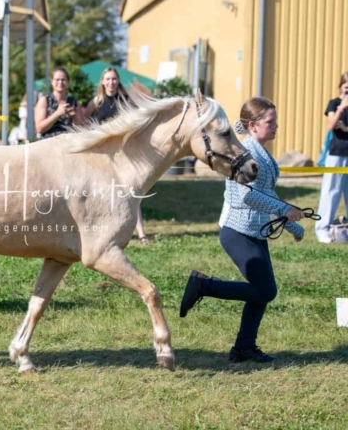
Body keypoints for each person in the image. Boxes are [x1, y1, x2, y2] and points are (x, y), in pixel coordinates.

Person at [179, 97, 305, 363]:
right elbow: (248, 196)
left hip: (255, 230)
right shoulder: (244, 152)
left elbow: (267, 192)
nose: (276, 126)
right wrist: (285, 210)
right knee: (266, 291)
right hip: (236, 231)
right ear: (253, 125)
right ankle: (203, 285)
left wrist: (291, 223)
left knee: (261, 291)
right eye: (270, 121)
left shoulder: (260, 152)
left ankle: (243, 348)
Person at [85, 67, 149, 244]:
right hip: (102, 154)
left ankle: (142, 234)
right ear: (102, 82)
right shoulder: (97, 101)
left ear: (118, 81)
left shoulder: (126, 100)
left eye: (113, 79)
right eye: (107, 79)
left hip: (123, 153)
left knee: (131, 191)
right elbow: (83, 121)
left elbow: (138, 121)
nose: (110, 82)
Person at [315, 72, 348, 243]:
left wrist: (345, 129)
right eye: (346, 84)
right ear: (341, 85)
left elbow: (342, 128)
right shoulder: (334, 103)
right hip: (336, 154)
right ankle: (323, 229)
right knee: (331, 191)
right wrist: (342, 107)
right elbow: (331, 125)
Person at [34, 67, 82, 139]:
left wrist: (74, 117)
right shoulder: (45, 100)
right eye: (57, 80)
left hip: (68, 143)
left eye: (63, 80)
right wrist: (57, 113)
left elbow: (79, 129)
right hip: (49, 144)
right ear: (52, 81)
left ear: (68, 82)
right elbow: (39, 129)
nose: (60, 83)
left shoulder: (74, 101)